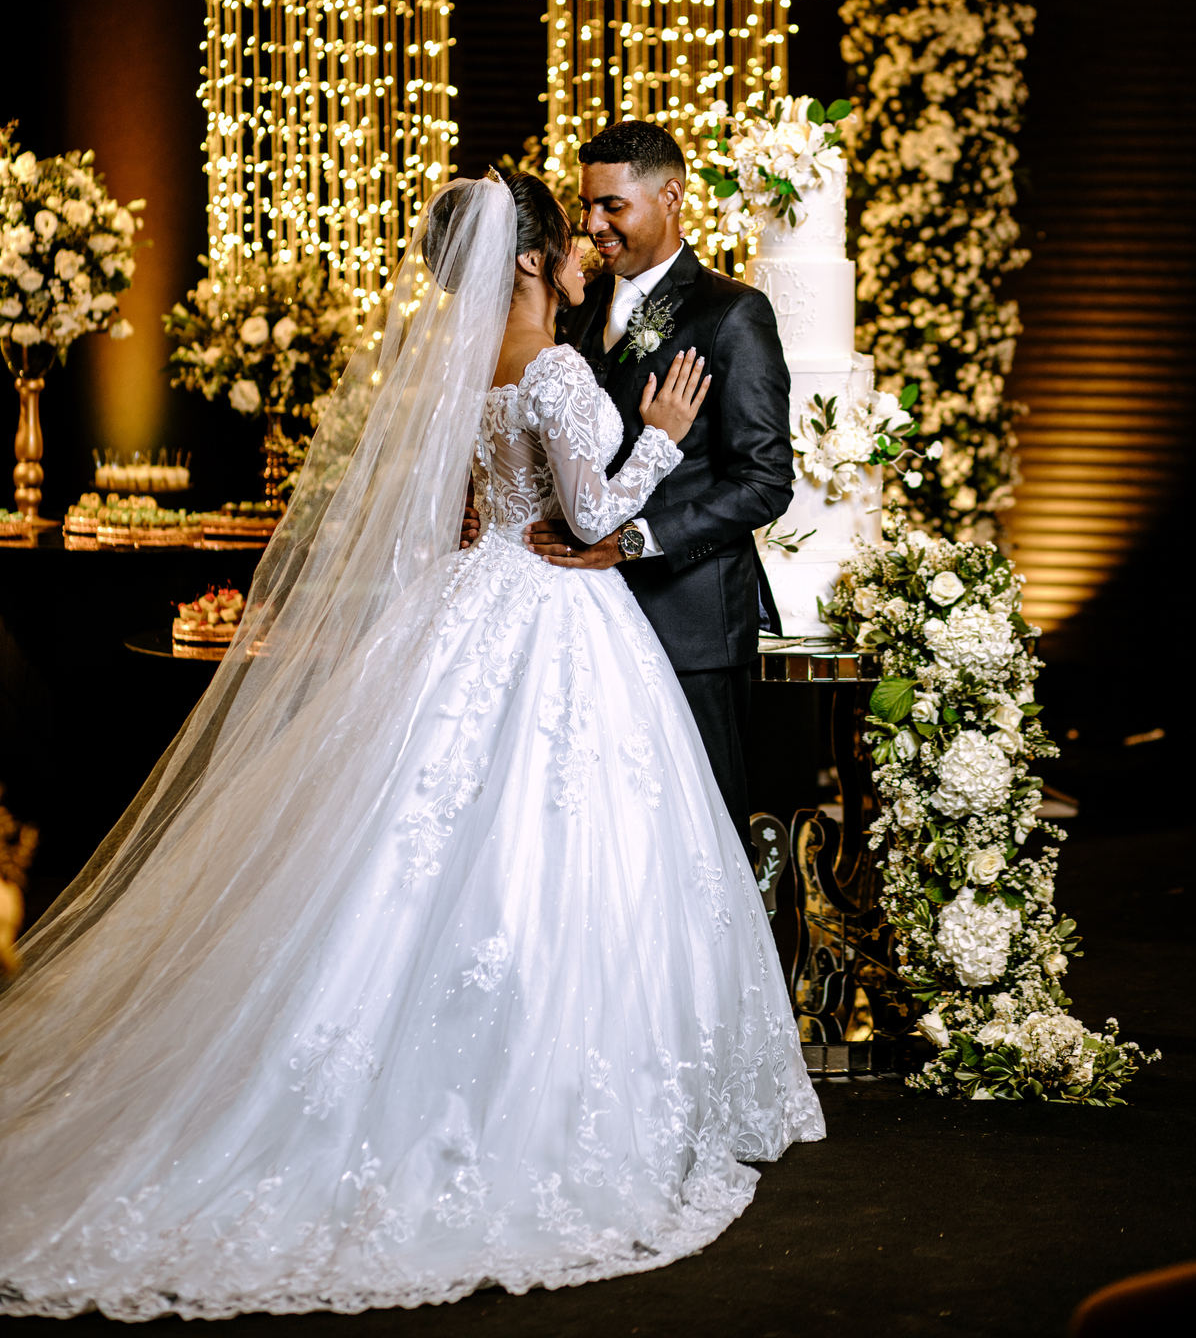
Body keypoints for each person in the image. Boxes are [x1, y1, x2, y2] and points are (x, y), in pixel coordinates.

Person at [0, 173, 821, 1320]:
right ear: (530, 258)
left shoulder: (473, 365)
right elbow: (591, 517)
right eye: (567, 234)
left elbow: (492, 498)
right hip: (557, 611)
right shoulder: (554, 367)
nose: (584, 250)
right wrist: (665, 441)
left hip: (479, 600)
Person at [523, 121, 796, 860]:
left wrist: (632, 541)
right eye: (587, 206)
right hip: (581, 623)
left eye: (612, 206)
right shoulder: (574, 308)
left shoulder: (732, 313)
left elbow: (765, 482)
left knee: (703, 845)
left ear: (671, 196)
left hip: (689, 623)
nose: (592, 225)